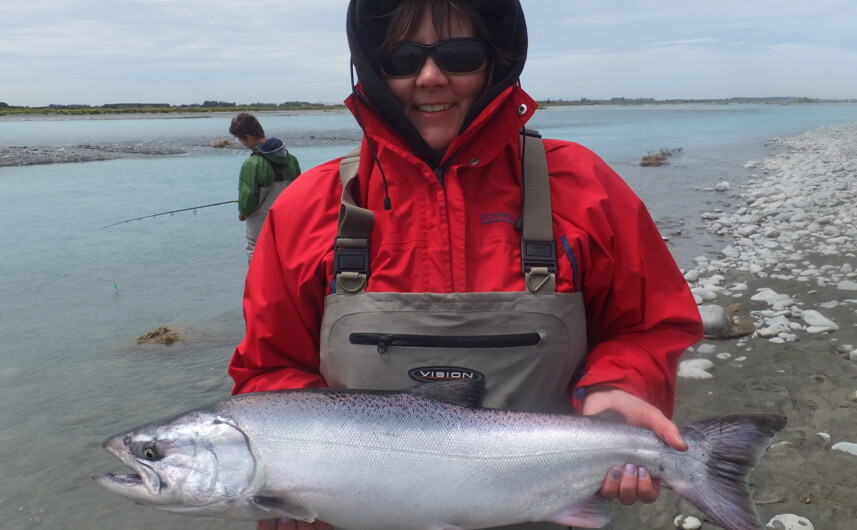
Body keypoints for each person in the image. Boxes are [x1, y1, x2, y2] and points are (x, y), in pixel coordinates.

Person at [230, 1, 703, 528]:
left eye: (460, 55)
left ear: (497, 61)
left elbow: (650, 326)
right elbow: (268, 372)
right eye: (402, 59)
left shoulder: (585, 189)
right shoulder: (304, 210)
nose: (431, 77)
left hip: (544, 505)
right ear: (371, 68)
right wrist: (294, 479)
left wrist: (620, 389)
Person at [229, 112, 302, 260]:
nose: (244, 145)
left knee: (257, 257)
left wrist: (242, 212)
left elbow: (248, 198)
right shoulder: (291, 160)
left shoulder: (252, 164)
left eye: (242, 141)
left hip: (260, 226)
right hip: (289, 223)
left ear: (249, 137)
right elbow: (300, 191)